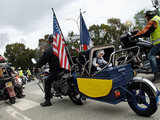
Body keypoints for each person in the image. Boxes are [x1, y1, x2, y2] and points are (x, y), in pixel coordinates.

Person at [36, 34, 64, 107]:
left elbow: (42, 61)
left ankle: (47, 101)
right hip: (66, 69)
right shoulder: (62, 47)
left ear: (49, 41)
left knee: (47, 81)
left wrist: (36, 66)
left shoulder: (49, 50)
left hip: (56, 71)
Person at [132, 10, 160, 82]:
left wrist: (135, 36)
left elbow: (145, 31)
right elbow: (149, 33)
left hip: (158, 42)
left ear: (150, 16)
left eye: (147, 17)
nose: (147, 19)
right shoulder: (158, 18)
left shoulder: (153, 20)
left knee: (151, 56)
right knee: (156, 55)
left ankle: (156, 76)